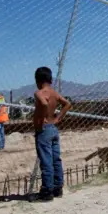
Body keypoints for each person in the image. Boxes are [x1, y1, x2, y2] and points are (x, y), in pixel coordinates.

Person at [29, 66, 71, 202]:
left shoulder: (39, 93)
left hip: (44, 129)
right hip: (53, 128)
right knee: (55, 159)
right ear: (50, 79)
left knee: (46, 160)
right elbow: (67, 104)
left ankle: (46, 192)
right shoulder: (54, 93)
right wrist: (58, 118)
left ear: (37, 80)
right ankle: (57, 188)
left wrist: (41, 118)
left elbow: (43, 103)